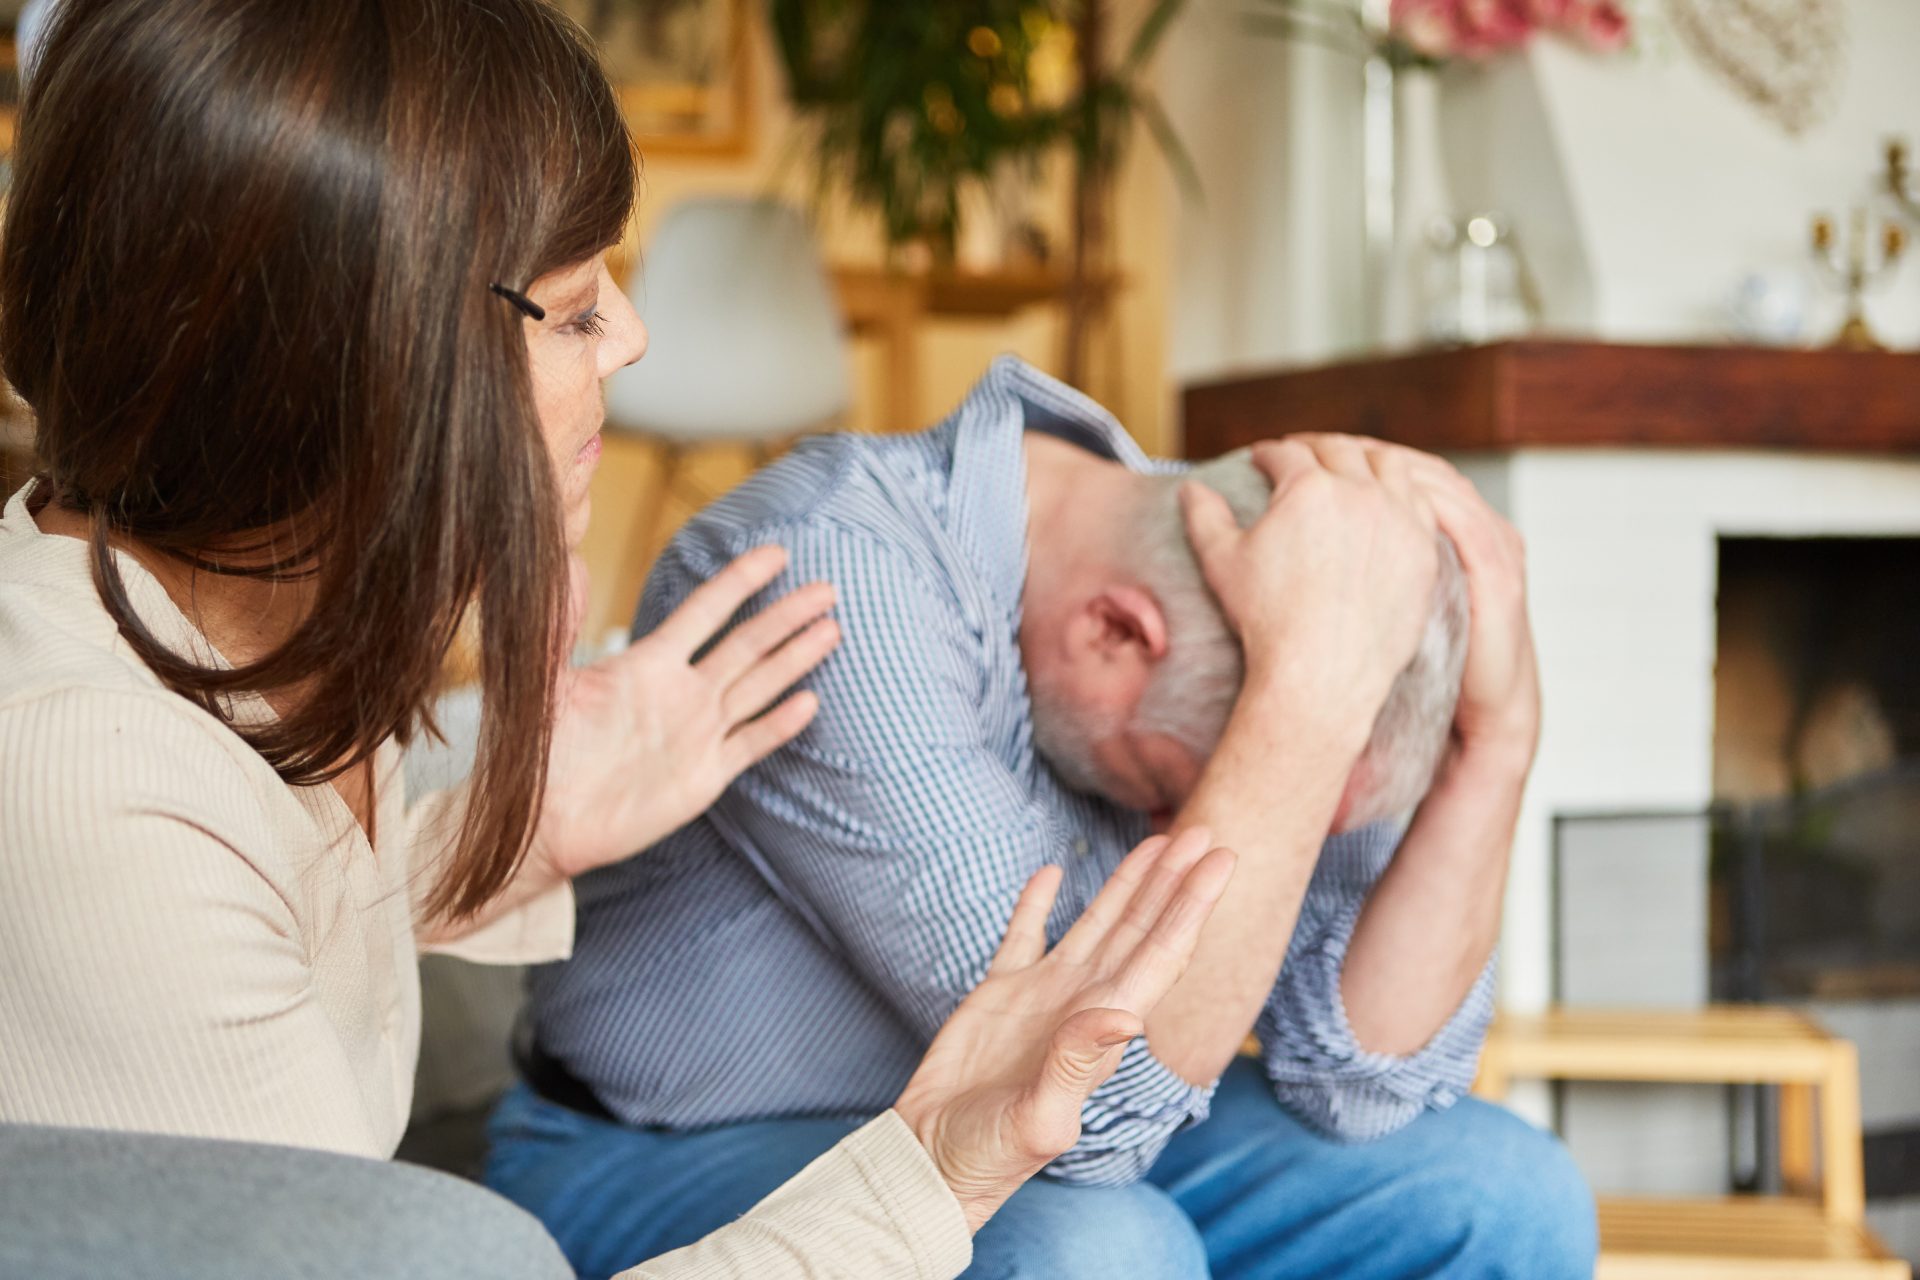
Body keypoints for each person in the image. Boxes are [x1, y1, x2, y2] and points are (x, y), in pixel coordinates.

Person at [0, 3, 1238, 1278]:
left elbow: (237, 940)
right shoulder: (83, 774)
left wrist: (493, 843)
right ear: (383, 369)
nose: (635, 339)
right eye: (580, 306)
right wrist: (931, 1162)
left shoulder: (219, 640)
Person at [491, 357, 1598, 1278]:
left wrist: (1493, 748)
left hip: (1055, 1147)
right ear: (1115, 632)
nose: (1218, 828)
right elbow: (1091, 1100)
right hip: (659, 1148)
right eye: (1192, 786)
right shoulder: (827, 567)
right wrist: (1296, 703)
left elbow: (1360, 1090)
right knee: (1104, 1250)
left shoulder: (1299, 596)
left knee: (1506, 1193)